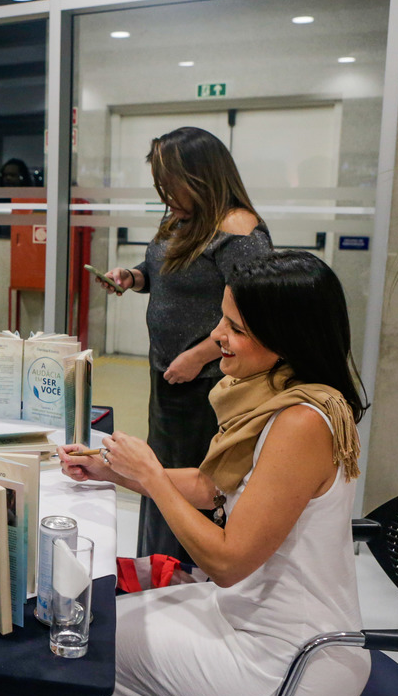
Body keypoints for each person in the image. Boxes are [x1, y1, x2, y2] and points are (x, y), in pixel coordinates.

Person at [60, 250, 371, 696]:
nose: (217, 337)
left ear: (287, 340)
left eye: (237, 329)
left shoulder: (301, 422)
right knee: (107, 627)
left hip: (291, 659)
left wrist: (154, 477)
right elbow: (211, 488)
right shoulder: (282, 398)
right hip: (251, 617)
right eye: (221, 319)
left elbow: (227, 563)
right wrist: (112, 471)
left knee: (93, 648)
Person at [97, 127, 272, 561]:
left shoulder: (239, 229)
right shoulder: (182, 217)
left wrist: (198, 356)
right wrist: (133, 278)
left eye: (170, 184)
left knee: (191, 483)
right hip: (170, 374)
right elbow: (163, 271)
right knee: (159, 473)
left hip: (210, 381)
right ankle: (156, 568)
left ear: (201, 177)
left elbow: (258, 311)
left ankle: (187, 576)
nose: (165, 195)